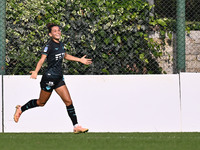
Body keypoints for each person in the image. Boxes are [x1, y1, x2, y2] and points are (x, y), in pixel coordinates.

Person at [14, 23, 92, 134]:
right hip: (49, 78)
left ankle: (76, 126)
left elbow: (65, 55)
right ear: (50, 34)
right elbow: (42, 59)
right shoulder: (49, 45)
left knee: (68, 101)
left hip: (59, 78)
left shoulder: (61, 44)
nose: (58, 32)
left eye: (59, 30)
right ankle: (21, 109)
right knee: (41, 102)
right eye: (54, 31)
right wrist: (36, 71)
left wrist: (79, 60)